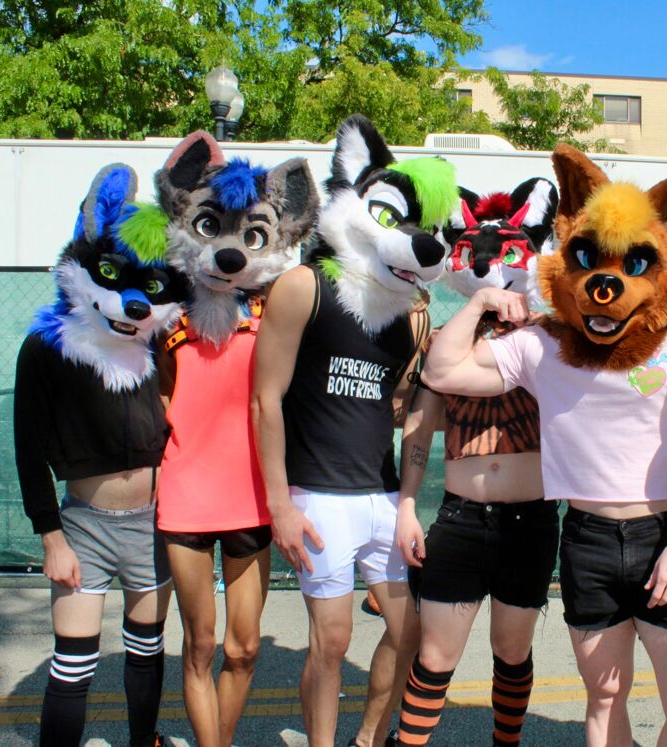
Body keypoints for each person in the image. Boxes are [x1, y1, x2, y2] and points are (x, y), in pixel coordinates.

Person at [423, 145, 667, 747]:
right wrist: (480, 301)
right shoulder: (543, 346)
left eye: (634, 263)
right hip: (588, 540)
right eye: (588, 259)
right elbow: (442, 371)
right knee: (604, 696)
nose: (607, 283)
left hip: (664, 535)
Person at [252, 114, 458, 747]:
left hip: (379, 494)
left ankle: (367, 739)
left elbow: (395, 405)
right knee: (333, 640)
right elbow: (264, 400)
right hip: (316, 495)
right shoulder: (302, 289)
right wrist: (280, 505)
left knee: (409, 632)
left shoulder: (412, 320)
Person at [153, 131, 319, 747]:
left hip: (253, 495)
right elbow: (160, 395)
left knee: (243, 647)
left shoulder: (276, 313)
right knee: (199, 644)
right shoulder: (167, 319)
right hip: (186, 495)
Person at [14, 164, 187, 747]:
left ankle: (144, 741)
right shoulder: (47, 348)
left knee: (146, 650)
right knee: (73, 664)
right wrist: (51, 537)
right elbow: (27, 449)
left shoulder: (153, 345)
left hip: (152, 524)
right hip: (83, 526)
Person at [392, 178, 559, 747]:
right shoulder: (446, 339)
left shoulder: (549, 333)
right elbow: (420, 424)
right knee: (435, 657)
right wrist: (407, 506)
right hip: (463, 517)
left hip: (531, 520)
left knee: (512, 653)